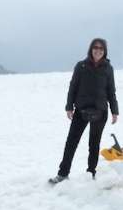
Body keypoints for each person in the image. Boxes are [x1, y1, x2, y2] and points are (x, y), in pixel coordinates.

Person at [49, 38, 119, 184]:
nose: (98, 50)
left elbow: (111, 91)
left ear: (104, 51)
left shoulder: (108, 68)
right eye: (95, 47)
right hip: (81, 111)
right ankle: (63, 174)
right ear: (91, 49)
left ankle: (91, 173)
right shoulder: (81, 66)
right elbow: (73, 87)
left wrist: (114, 110)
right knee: (71, 142)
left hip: (100, 112)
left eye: (101, 48)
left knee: (94, 144)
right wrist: (69, 106)